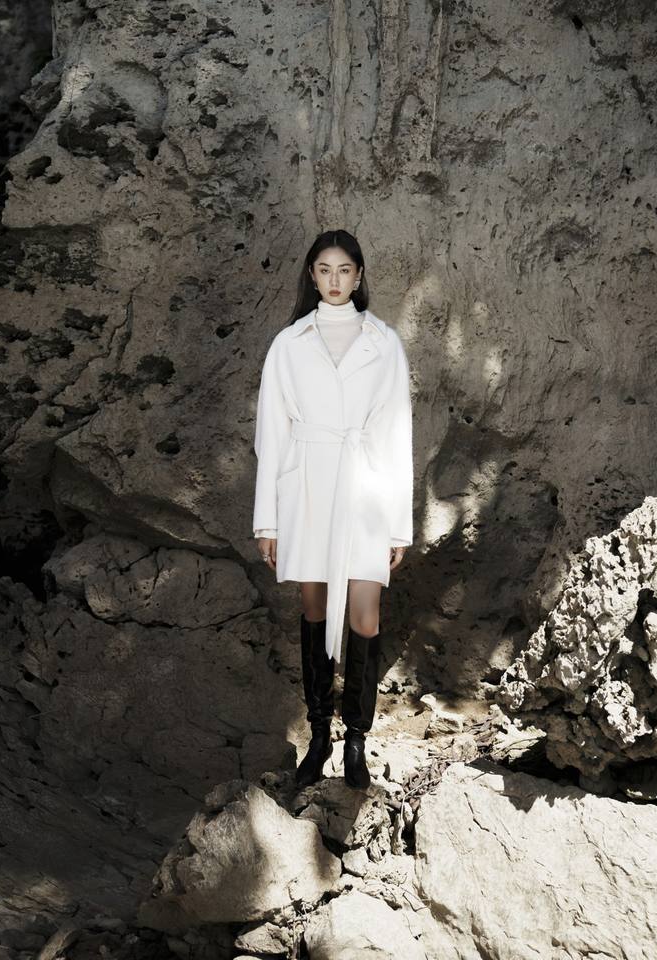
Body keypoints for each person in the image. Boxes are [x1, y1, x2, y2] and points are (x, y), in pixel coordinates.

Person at [252, 229, 413, 790]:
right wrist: (268, 520)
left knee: (365, 614)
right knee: (315, 609)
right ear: (312, 275)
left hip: (366, 488)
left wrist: (398, 525)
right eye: (325, 270)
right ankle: (319, 734)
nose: (335, 280)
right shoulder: (289, 344)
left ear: (359, 275)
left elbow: (397, 435)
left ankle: (356, 739)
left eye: (345, 270)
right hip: (308, 488)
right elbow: (272, 435)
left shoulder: (384, 343)